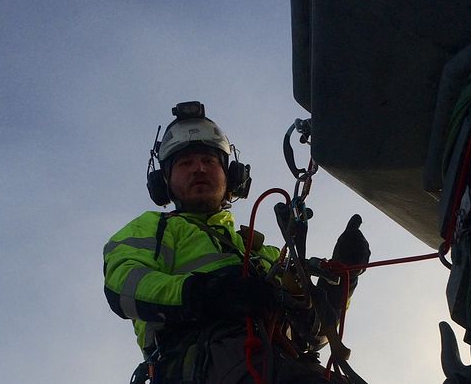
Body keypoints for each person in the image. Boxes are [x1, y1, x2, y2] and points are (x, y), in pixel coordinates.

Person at [103, 102, 371, 383]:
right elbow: (124, 285)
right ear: (164, 182)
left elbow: (311, 333)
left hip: (283, 364)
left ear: (231, 175)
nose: (199, 169)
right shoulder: (153, 227)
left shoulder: (261, 254)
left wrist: (343, 279)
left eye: (209, 161)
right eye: (185, 163)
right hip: (202, 364)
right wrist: (205, 292)